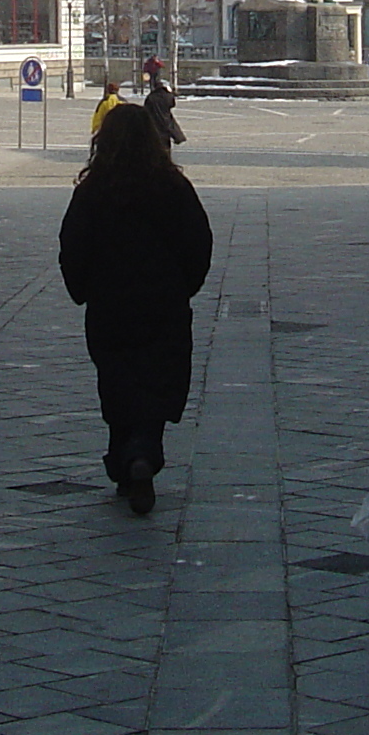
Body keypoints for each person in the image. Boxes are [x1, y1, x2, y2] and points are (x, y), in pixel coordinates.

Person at [58, 103, 213, 516]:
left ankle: (124, 461)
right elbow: (199, 242)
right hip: (163, 306)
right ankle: (144, 449)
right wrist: (183, 287)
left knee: (118, 381)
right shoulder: (173, 188)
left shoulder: (92, 192)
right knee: (156, 382)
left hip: (111, 308)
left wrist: (84, 288)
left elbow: (73, 248)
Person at [141, 63, 187, 147]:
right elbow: (172, 104)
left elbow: (146, 109)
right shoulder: (168, 96)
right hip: (165, 118)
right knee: (166, 139)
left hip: (153, 122)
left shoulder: (151, 97)